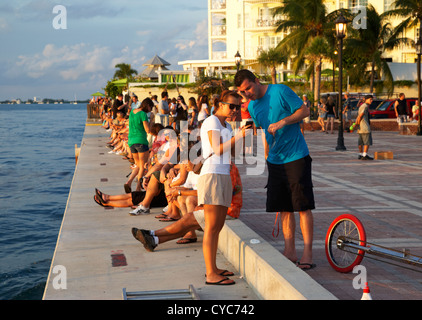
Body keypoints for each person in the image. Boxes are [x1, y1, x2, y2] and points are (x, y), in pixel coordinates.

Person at [234, 69, 315, 271]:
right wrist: (267, 156)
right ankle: (290, 251)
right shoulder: (252, 107)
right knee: (284, 207)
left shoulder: (280, 91)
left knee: (302, 206)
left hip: (296, 156)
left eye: (248, 88)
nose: (247, 94)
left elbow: (304, 111)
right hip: (275, 160)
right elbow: (264, 133)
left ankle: (307, 253)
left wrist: (283, 121)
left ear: (256, 80)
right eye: (242, 92)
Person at [198, 90, 250, 286]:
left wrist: (241, 136)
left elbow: (231, 152)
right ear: (220, 104)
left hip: (224, 173)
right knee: (211, 226)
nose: (236, 110)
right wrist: (237, 136)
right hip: (212, 174)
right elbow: (216, 149)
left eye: (239, 106)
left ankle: (214, 268)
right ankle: (210, 273)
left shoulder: (226, 125)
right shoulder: (211, 121)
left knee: (218, 226)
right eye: (232, 106)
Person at [127, 98, 154, 192]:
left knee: (138, 164)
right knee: (142, 166)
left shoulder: (132, 112)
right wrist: (152, 121)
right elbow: (148, 130)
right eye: (151, 107)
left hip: (131, 141)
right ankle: (138, 187)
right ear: (147, 105)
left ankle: (129, 182)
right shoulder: (143, 114)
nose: (151, 109)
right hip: (141, 141)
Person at [356, 95, 374, 160]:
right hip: (365, 127)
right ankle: (364, 155)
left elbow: (358, 116)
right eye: (370, 99)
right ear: (366, 99)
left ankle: (360, 154)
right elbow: (361, 115)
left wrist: (356, 124)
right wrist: (357, 122)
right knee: (367, 142)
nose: (371, 101)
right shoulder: (365, 106)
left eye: (372, 99)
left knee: (360, 142)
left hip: (360, 128)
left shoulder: (361, 106)